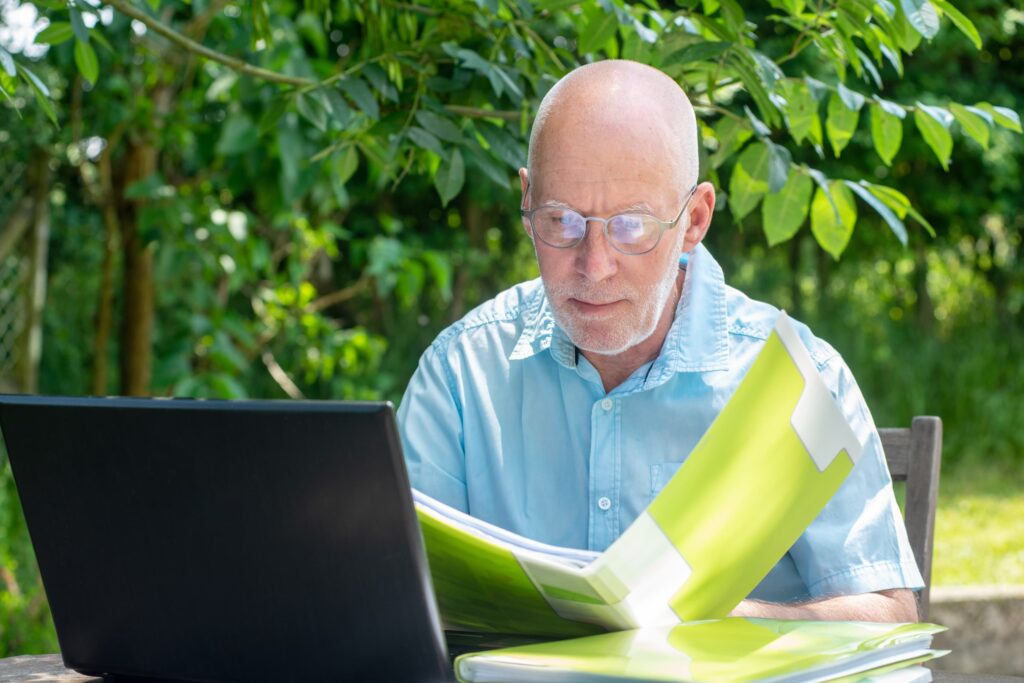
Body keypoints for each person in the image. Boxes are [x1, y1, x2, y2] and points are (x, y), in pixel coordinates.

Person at [397, 60, 923, 622]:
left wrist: (724, 622)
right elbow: (394, 596)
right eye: (562, 221)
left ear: (694, 219)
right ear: (527, 204)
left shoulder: (800, 378)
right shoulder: (460, 374)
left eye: (631, 226)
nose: (594, 266)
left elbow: (891, 620)